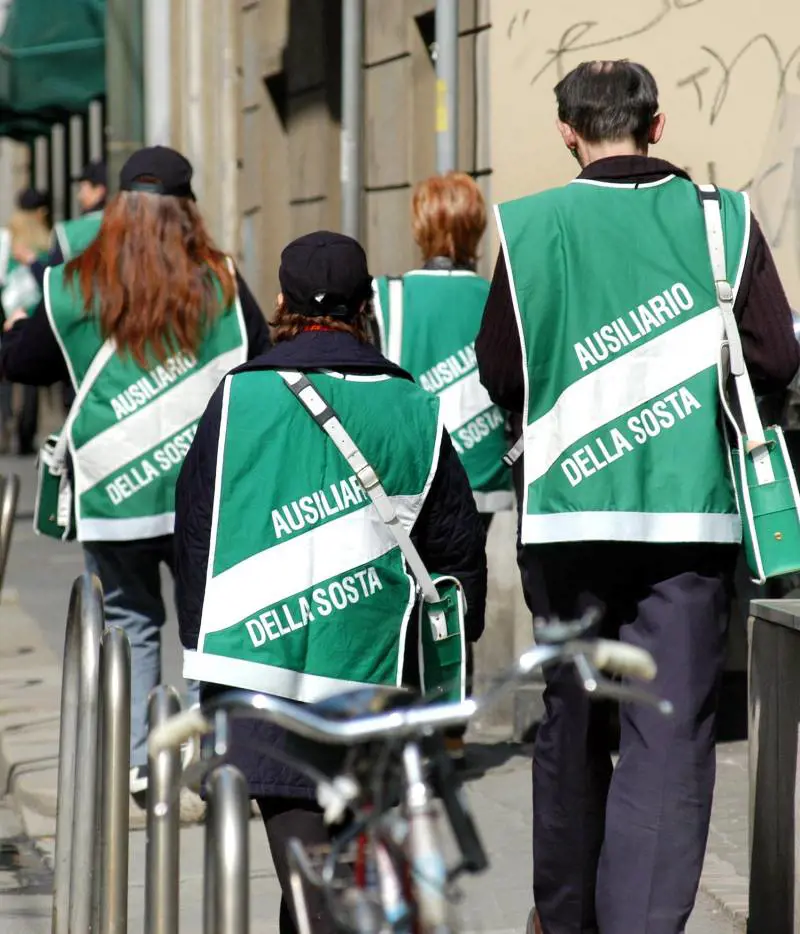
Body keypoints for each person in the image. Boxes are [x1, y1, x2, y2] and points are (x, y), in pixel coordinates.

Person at [475, 60, 800, 934]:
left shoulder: (530, 225)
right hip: (688, 519)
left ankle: (566, 917)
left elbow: (502, 372)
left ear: (567, 131)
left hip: (566, 520)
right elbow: (773, 358)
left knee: (571, 728)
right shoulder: (721, 219)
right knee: (668, 742)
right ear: (657, 128)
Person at [175, 231, 488, 934]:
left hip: (260, 675)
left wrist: (204, 653)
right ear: (366, 303)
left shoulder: (236, 399)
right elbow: (456, 554)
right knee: (334, 887)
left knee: (313, 886)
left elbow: (196, 534)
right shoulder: (415, 405)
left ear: (281, 301)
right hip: (375, 680)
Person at [0, 146, 271, 801]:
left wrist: (14, 330)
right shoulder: (223, 283)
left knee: (128, 621)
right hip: (204, 492)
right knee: (209, 629)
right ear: (188, 211)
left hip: (114, 491)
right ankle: (214, 767)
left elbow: (25, 362)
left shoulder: (75, 287)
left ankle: (143, 768)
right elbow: (259, 359)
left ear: (118, 209)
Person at [373, 171, 513, 760]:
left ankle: (408, 721)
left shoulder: (390, 297)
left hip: (412, 475)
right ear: (475, 228)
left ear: (421, 225)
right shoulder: (497, 295)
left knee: (405, 589)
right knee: (460, 591)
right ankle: (451, 727)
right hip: (482, 474)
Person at [0, 188, 52, 453]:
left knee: (4, 376)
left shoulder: (6, 239)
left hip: (6, 314)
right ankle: (25, 434)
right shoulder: (44, 242)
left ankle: (3, 426)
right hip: (33, 317)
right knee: (29, 382)